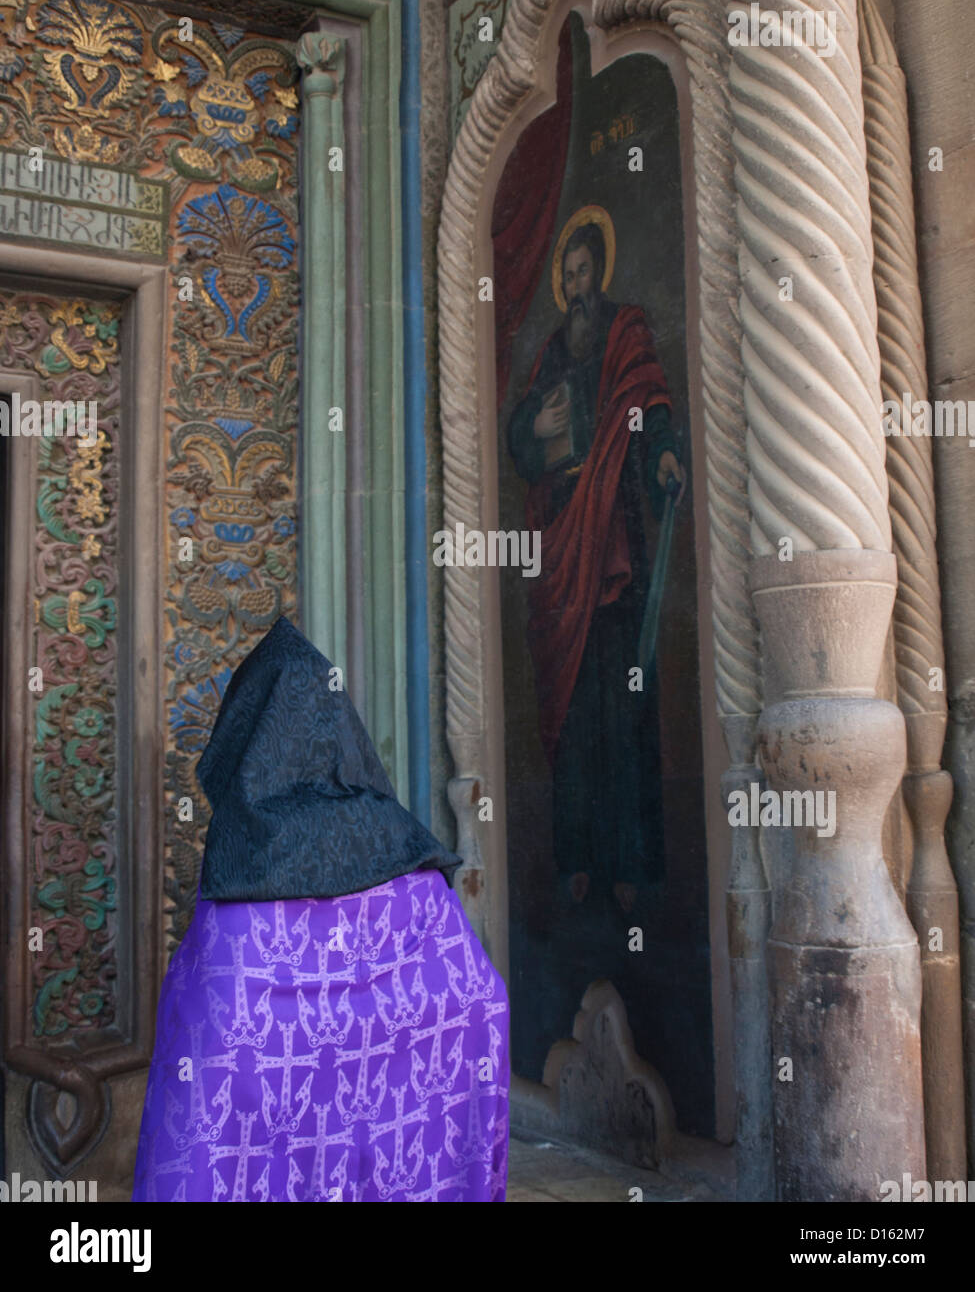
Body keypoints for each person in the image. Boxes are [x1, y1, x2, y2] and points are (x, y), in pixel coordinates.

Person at [132, 616, 509, 1202]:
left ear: (247, 730)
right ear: (342, 731)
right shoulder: (399, 841)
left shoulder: (244, 857)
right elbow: (477, 996)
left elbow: (210, 1028)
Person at [508, 214, 685, 913]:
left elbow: (650, 400)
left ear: (600, 274)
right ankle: (578, 857)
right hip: (561, 538)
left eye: (585, 273)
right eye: (568, 276)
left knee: (624, 703)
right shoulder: (551, 352)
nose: (577, 287)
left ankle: (631, 864)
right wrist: (537, 428)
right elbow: (521, 437)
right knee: (576, 711)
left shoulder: (624, 330)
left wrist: (664, 451)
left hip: (613, 540)